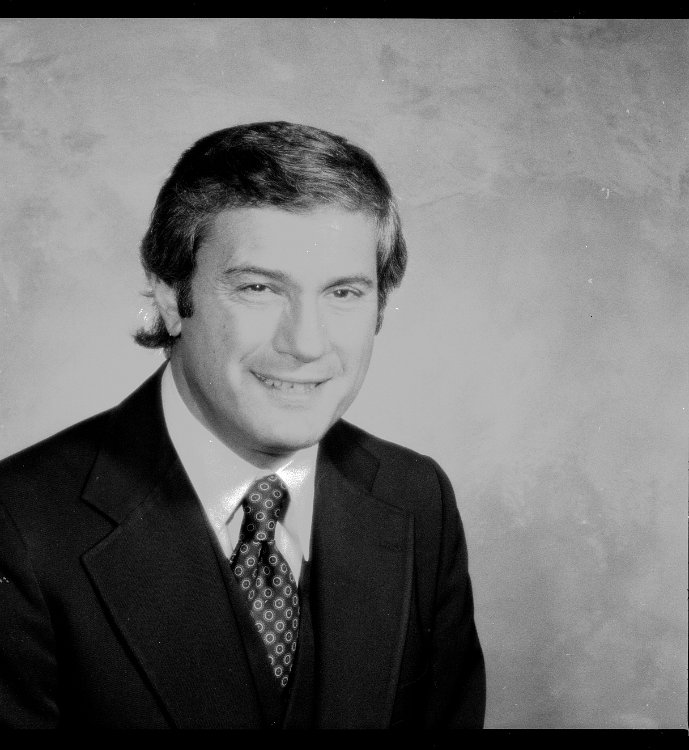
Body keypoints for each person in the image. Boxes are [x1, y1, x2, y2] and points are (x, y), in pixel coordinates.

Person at [0, 121, 485, 729]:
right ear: (171, 297)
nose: (306, 344)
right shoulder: (18, 526)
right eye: (259, 288)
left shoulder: (417, 498)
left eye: (343, 293)